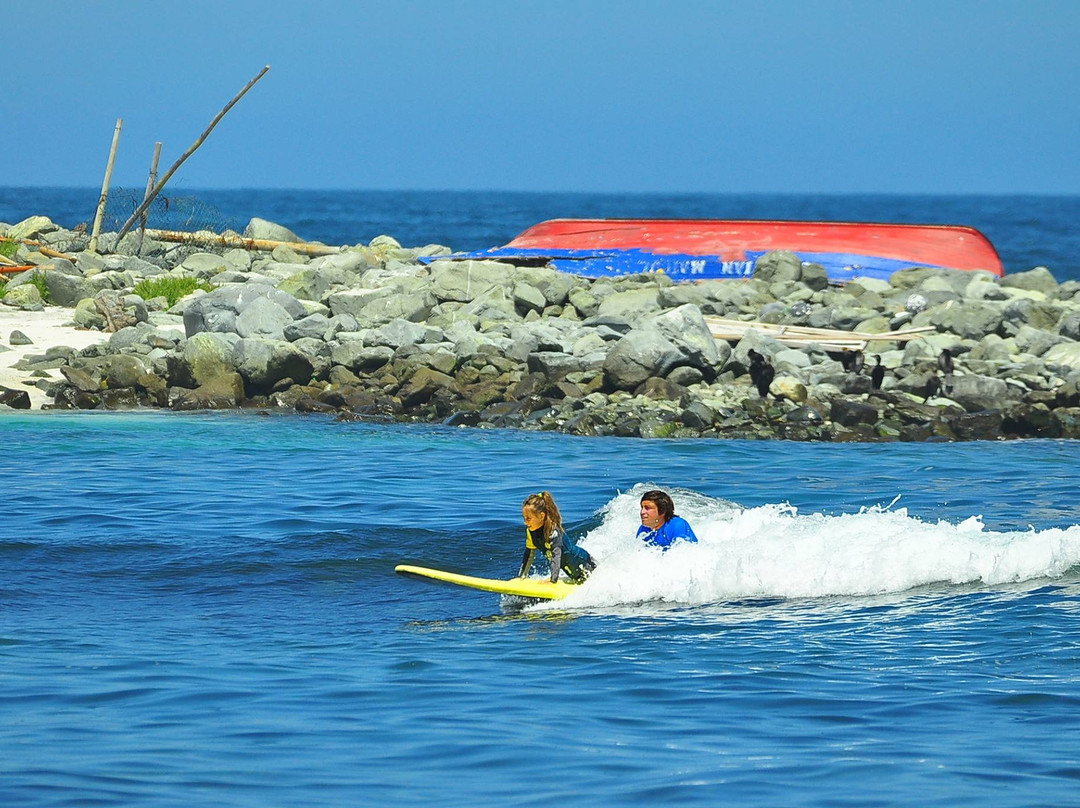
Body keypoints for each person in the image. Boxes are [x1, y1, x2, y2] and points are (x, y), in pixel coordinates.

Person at [515, 491, 597, 584]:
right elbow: (529, 554)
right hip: (573, 572)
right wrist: (521, 577)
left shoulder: (553, 532)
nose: (525, 522)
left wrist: (553, 580)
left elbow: (556, 556)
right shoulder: (530, 531)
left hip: (587, 565)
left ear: (541, 516)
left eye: (528, 518)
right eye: (524, 518)